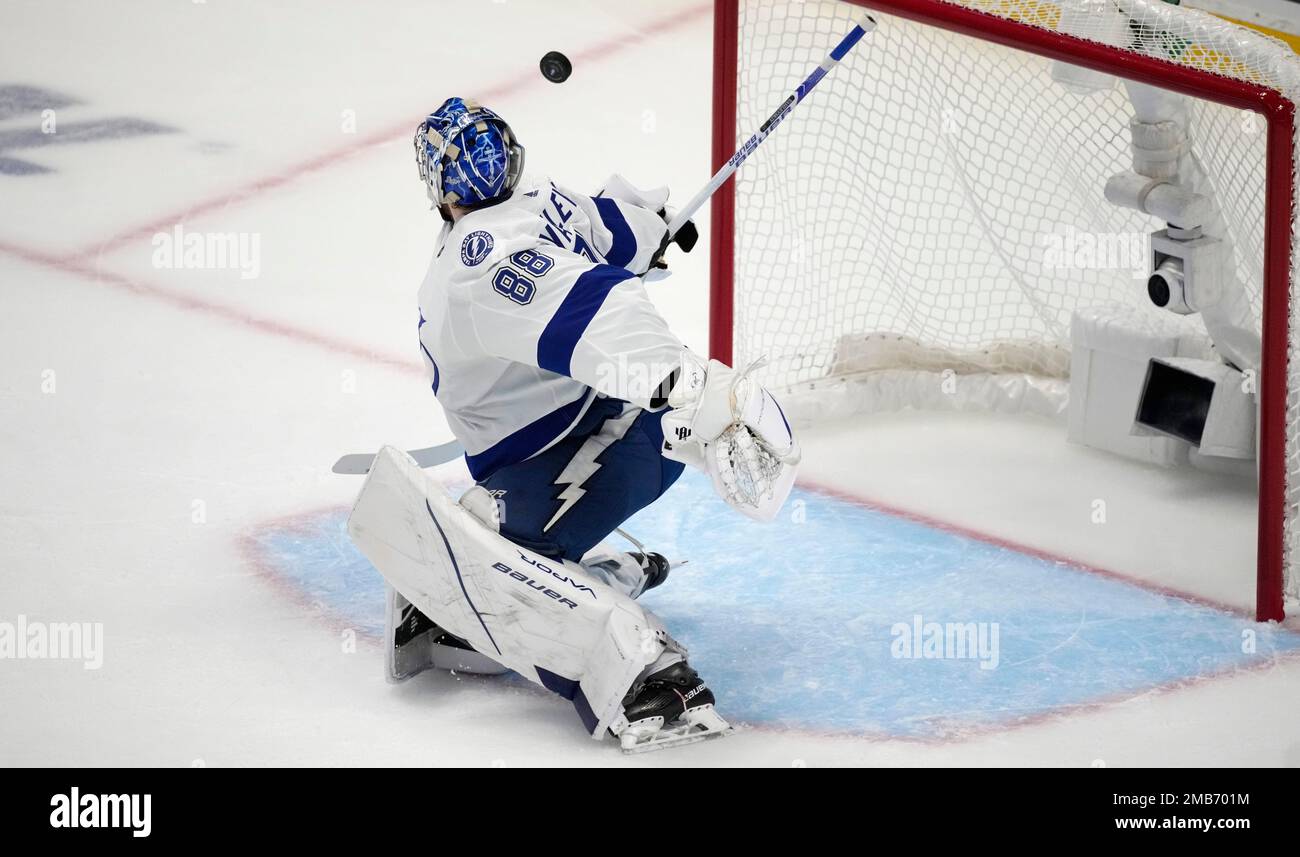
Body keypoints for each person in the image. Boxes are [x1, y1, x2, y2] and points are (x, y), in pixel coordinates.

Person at [401, 96, 800, 737]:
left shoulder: (477, 257)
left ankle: (636, 670)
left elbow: (591, 303)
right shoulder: (535, 207)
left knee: (498, 552)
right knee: (491, 538)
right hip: (588, 435)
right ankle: (579, 571)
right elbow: (611, 234)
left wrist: (686, 386)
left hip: (589, 443)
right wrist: (653, 227)